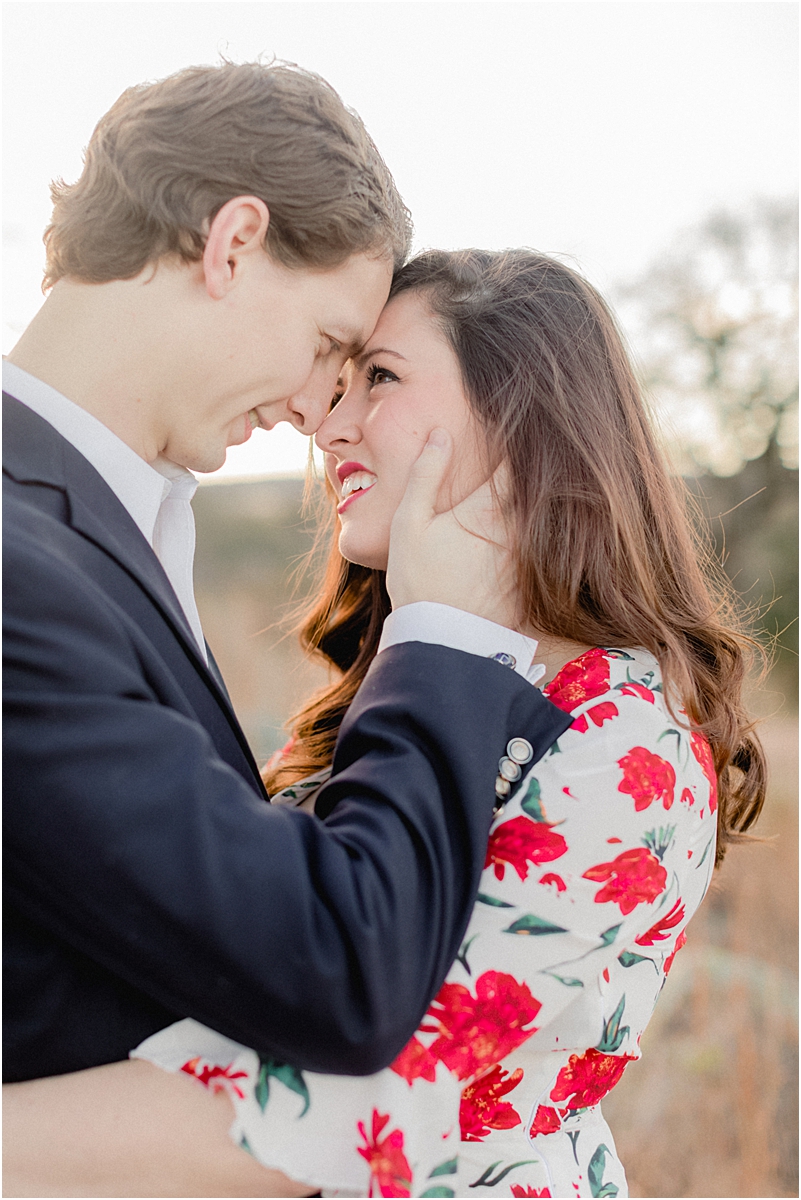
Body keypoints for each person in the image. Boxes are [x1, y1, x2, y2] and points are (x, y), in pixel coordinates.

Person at [4, 249, 767, 1198]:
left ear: (521, 417)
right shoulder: (392, 687)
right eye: (338, 379)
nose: (328, 423)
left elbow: (347, 1115)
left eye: (379, 377)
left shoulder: (627, 740)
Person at [2, 65, 575, 1195]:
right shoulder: (17, 567)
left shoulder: (113, 524)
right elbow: (336, 967)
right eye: (327, 343)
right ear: (233, 242)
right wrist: (446, 636)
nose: (320, 411)